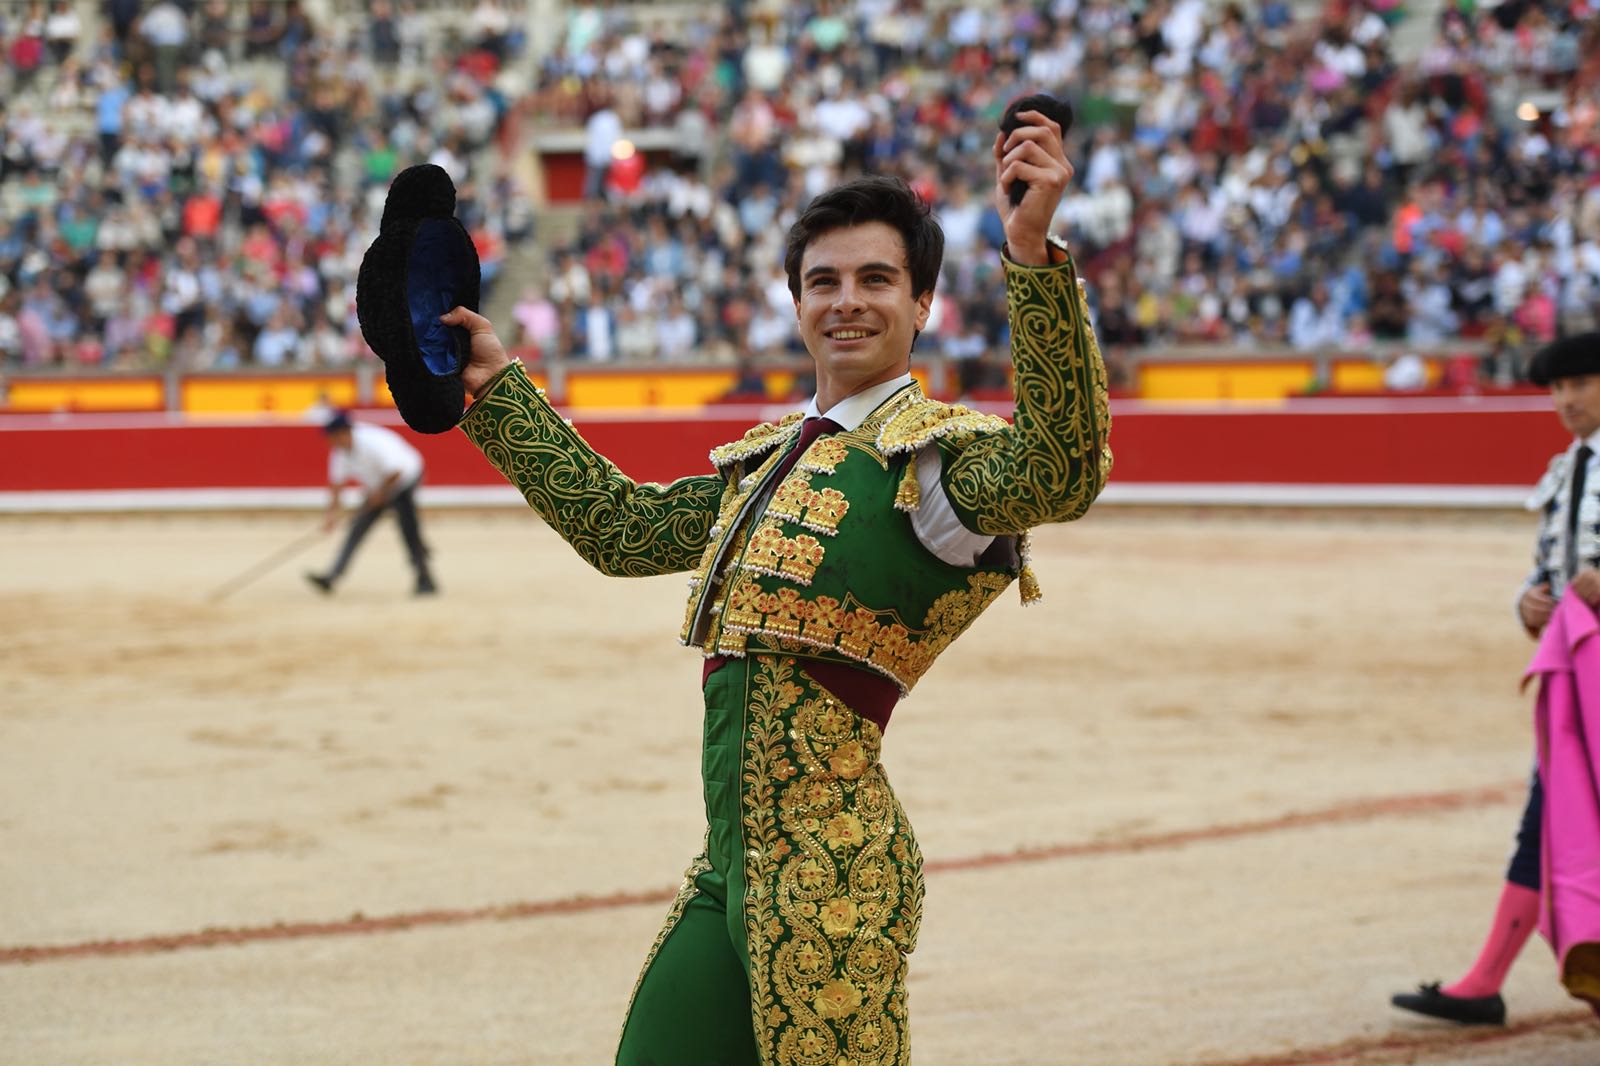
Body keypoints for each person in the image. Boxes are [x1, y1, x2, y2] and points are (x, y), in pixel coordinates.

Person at [439, 108, 1111, 1063]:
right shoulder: (766, 463)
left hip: (838, 877)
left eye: (878, 280)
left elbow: (1062, 468)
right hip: (731, 872)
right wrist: (499, 392)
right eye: (822, 282)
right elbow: (621, 533)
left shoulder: (938, 470)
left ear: (922, 305)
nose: (847, 301)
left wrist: (1033, 254)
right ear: (794, 303)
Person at [1392, 331, 1600, 1026]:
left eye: (1581, 384)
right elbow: (1546, 564)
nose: (1567, 400)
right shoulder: (1565, 470)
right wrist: (1528, 601)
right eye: (1558, 388)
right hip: (1575, 675)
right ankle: (1484, 981)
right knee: (1551, 819)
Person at [305, 411, 436, 597]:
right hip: (380, 485)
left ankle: (426, 581)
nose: (330, 441)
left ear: (343, 433)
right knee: (357, 527)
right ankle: (332, 576)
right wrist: (331, 516)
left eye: (332, 437)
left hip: (406, 478)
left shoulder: (372, 441)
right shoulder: (340, 451)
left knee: (408, 530)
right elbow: (337, 485)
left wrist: (378, 494)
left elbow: (396, 471)